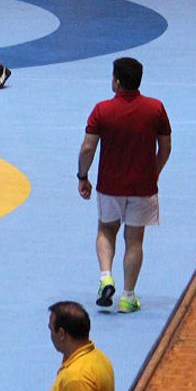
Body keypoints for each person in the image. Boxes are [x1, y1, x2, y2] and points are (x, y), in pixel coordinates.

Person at [77, 57, 171, 314]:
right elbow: (165, 148)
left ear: (117, 81)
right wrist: (153, 173)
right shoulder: (156, 109)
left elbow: (87, 148)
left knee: (106, 230)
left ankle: (106, 277)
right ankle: (128, 296)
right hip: (143, 187)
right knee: (135, 240)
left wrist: (82, 176)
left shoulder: (102, 110)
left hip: (110, 186)